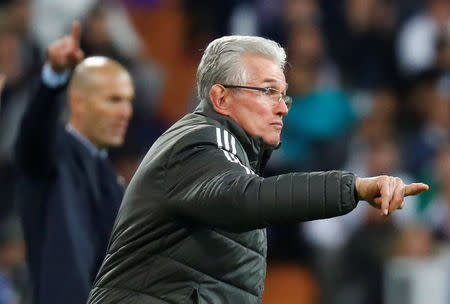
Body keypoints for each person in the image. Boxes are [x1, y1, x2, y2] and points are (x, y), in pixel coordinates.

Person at [87, 35, 428, 304]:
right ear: (220, 98)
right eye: (268, 91)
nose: (282, 108)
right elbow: (245, 200)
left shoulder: (231, 155)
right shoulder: (199, 140)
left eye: (284, 96)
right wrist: (353, 188)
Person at [15, 22, 134, 304]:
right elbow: (33, 134)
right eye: (114, 99)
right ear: (78, 103)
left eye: (128, 101)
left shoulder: (114, 183)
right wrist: (54, 78)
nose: (125, 112)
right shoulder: (52, 155)